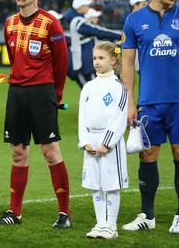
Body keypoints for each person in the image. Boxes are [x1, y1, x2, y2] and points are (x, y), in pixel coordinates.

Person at [122, 0, 179, 234]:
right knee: (147, 154)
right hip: (149, 100)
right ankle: (147, 214)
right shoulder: (134, 21)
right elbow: (128, 62)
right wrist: (129, 101)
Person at [0, 0, 70, 228]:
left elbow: (61, 64)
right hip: (16, 92)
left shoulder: (50, 23)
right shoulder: (9, 23)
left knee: (49, 151)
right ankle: (14, 212)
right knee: (17, 152)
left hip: (42, 93)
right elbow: (14, 60)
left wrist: (55, 96)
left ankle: (64, 214)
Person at [79, 42, 128, 239]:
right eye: (94, 58)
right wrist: (85, 141)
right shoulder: (89, 86)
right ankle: (100, 224)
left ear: (113, 60)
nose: (97, 62)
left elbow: (119, 118)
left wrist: (106, 143)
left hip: (110, 144)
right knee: (95, 184)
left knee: (111, 183)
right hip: (91, 140)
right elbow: (82, 115)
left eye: (101, 58)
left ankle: (111, 225)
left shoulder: (118, 87)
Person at [66, 0, 122, 88]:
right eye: (86, 5)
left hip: (85, 60)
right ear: (79, 8)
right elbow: (98, 31)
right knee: (92, 89)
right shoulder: (79, 22)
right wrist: (121, 35)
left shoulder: (78, 20)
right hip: (85, 61)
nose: (88, 7)